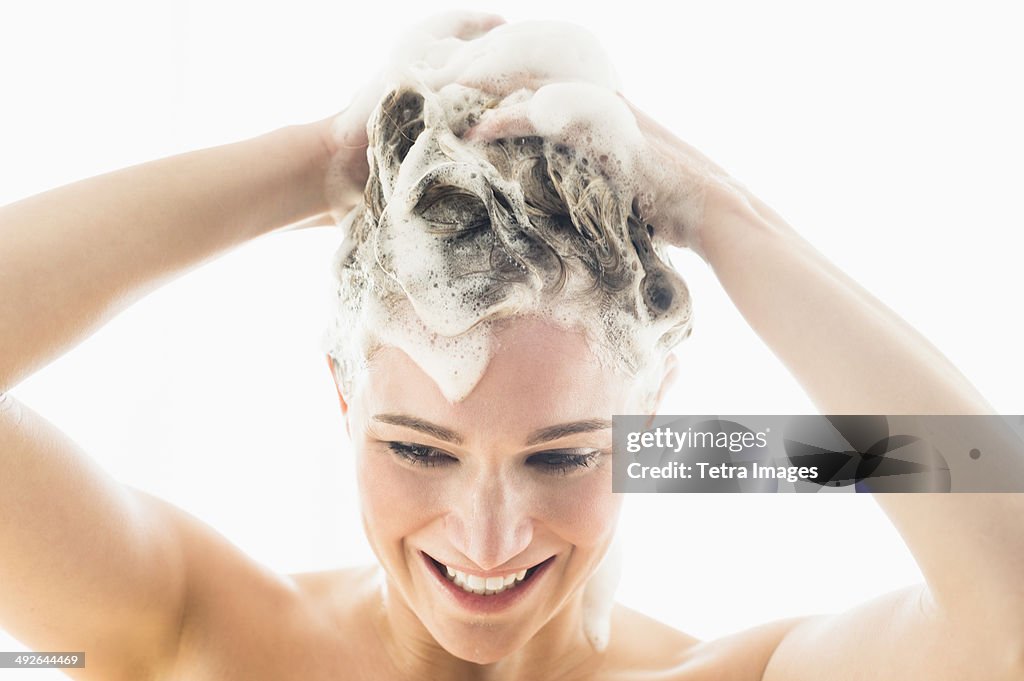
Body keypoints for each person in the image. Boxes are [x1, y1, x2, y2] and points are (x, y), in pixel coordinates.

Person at [1, 12, 1021, 681]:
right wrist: (315, 164)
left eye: (563, 454)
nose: (487, 543)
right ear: (344, 401)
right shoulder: (197, 638)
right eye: (417, 448)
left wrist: (725, 219)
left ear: (650, 422)